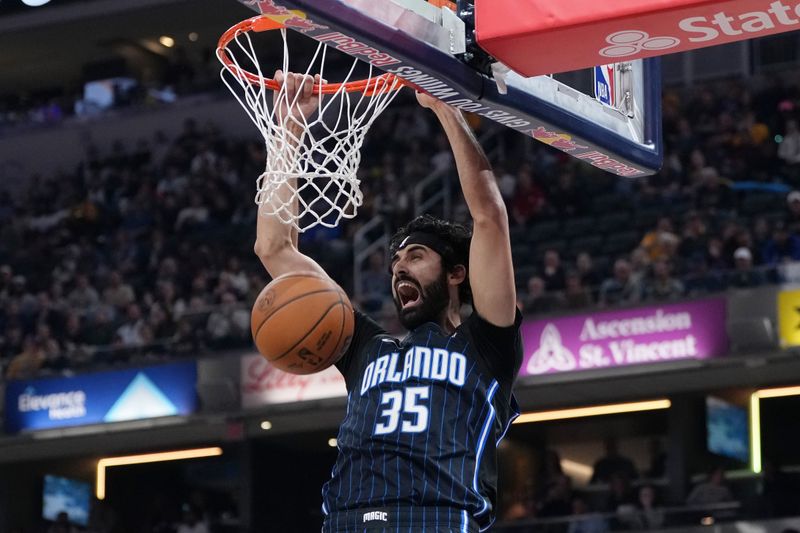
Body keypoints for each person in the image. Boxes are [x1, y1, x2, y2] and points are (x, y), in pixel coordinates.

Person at [254, 72, 521, 533]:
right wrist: (290, 130)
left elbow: (489, 218)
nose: (399, 269)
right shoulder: (365, 346)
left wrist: (446, 109)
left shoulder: (486, 345)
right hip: (346, 523)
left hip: (434, 519)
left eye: (415, 257)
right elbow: (274, 248)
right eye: (395, 262)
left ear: (456, 273)